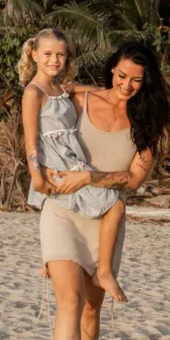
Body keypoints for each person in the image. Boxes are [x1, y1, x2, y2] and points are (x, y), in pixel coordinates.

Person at [25, 39, 170, 340]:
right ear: (111, 70)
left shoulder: (148, 121)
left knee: (91, 310)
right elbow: (45, 123)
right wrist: (40, 174)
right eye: (121, 76)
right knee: (69, 302)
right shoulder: (80, 101)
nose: (126, 85)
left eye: (136, 81)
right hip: (62, 211)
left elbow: (135, 179)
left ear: (146, 82)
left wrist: (91, 176)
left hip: (106, 216)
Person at [21, 28, 127, 304]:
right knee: (114, 205)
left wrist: (112, 93)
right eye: (47, 54)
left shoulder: (60, 88)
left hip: (74, 159)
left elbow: (85, 90)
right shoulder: (34, 92)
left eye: (61, 55)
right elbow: (30, 139)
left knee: (87, 211)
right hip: (58, 164)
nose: (54, 60)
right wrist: (37, 177)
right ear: (34, 55)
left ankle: (55, 264)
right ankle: (102, 271)